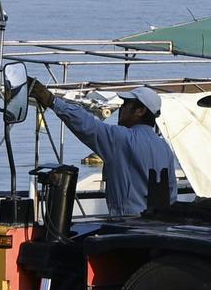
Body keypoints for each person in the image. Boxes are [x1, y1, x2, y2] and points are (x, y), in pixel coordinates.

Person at [30, 81, 177, 216]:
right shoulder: (165, 148)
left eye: (126, 104)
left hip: (127, 226)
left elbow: (86, 124)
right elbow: (171, 195)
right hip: (156, 227)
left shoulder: (121, 138)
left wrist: (52, 101)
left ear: (140, 111)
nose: (121, 108)